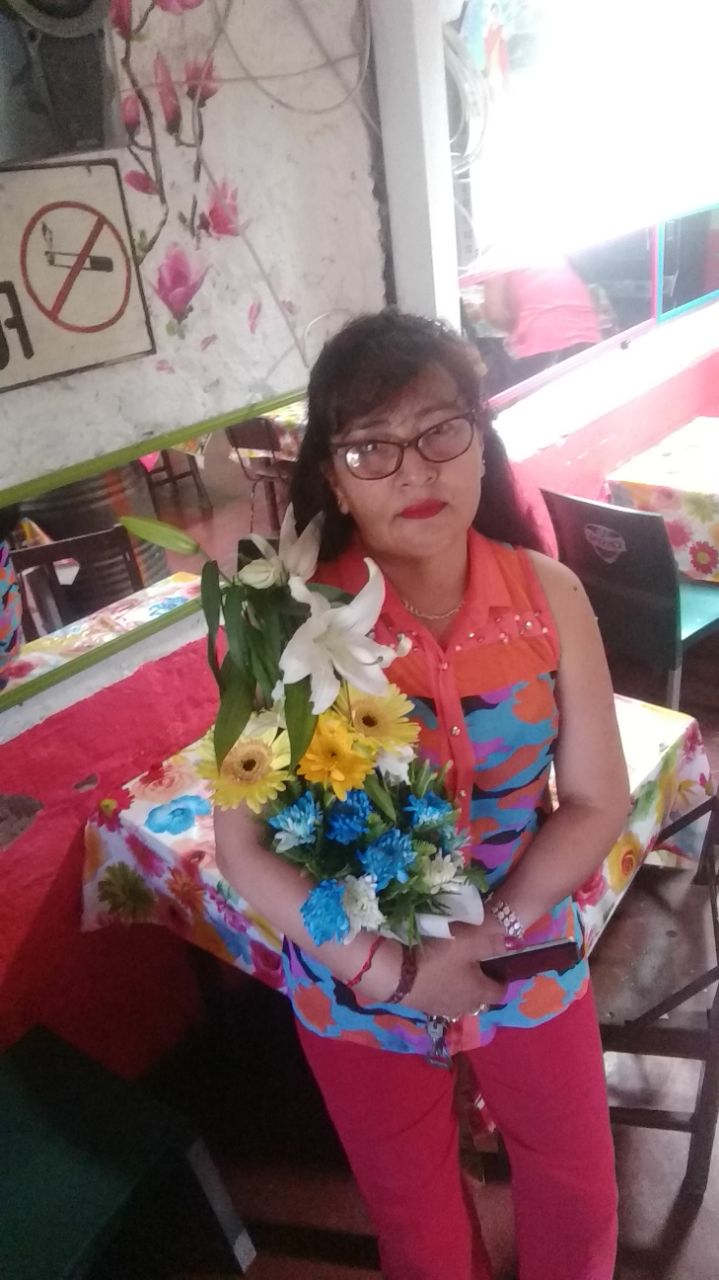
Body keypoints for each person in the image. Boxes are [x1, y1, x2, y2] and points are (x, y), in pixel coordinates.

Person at [214, 310, 630, 1280]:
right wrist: (394, 974)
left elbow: (594, 799)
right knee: (418, 1223)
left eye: (441, 430)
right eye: (371, 445)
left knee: (576, 1189)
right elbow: (243, 849)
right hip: (355, 973)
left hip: (521, 945)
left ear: (480, 439)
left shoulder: (548, 595)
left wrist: (481, 935)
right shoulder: (280, 624)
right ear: (332, 475)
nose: (413, 470)